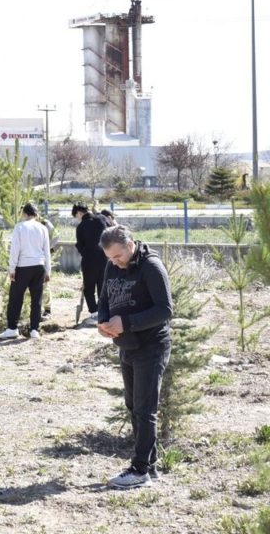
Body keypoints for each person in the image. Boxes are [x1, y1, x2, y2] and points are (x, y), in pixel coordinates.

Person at [97, 225, 173, 489]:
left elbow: (165, 310)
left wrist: (126, 322)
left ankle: (139, 470)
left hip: (152, 346)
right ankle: (149, 466)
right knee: (133, 405)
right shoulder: (111, 265)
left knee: (145, 409)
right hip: (127, 345)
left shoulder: (151, 267)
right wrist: (104, 321)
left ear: (130, 245)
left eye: (118, 257)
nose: (115, 263)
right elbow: (104, 298)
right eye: (110, 258)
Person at [0, 203, 51, 340]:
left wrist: (12, 268)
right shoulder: (42, 228)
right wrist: (48, 271)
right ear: (36, 214)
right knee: (36, 299)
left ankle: (12, 328)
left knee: (16, 298)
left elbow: (14, 250)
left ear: (24, 214)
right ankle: (34, 329)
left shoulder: (20, 227)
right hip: (39, 266)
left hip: (23, 266)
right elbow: (47, 251)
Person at [73, 202, 113, 326]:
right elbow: (111, 234)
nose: (77, 218)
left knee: (89, 288)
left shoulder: (81, 226)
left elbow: (80, 245)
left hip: (89, 261)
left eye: (76, 216)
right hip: (105, 259)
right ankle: (104, 312)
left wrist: (85, 252)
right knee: (103, 286)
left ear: (79, 213)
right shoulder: (102, 219)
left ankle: (94, 311)